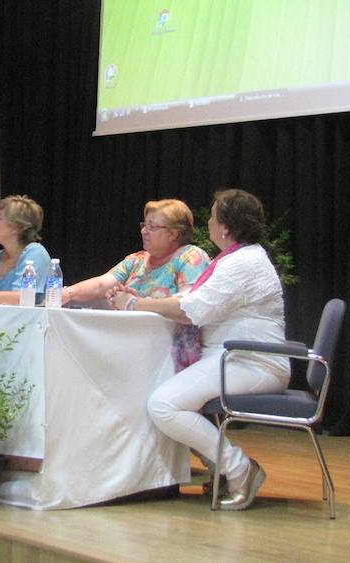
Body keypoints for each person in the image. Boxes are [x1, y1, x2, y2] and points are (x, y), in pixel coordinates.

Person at [110, 189, 289, 511]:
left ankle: (240, 469)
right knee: (158, 392)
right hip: (230, 357)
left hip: (251, 361)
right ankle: (224, 468)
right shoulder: (236, 258)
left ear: (225, 227)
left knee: (164, 405)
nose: (208, 222)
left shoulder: (243, 263)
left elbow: (192, 309)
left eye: (213, 216)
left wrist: (134, 303)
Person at [62, 199, 210, 369]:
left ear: (174, 234)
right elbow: (102, 284)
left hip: (168, 355)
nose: (144, 231)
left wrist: (132, 302)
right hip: (129, 345)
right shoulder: (137, 259)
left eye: (152, 227)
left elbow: (187, 304)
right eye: (144, 225)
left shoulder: (190, 256)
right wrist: (66, 293)